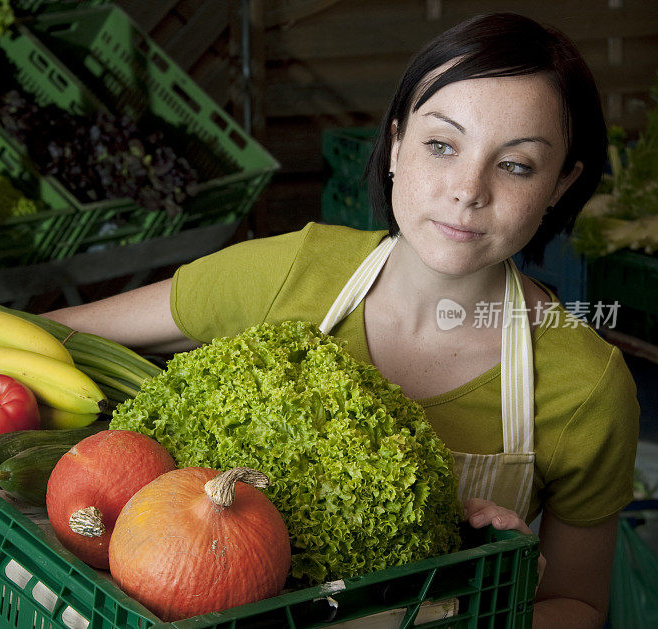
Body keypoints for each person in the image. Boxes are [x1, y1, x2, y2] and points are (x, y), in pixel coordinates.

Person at [45, 12, 639, 627]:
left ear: (561, 185)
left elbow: (578, 605)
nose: (468, 189)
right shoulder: (296, 270)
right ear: (396, 143)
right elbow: (54, 338)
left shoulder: (585, 386)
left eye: (515, 165)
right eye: (441, 145)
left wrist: (492, 594)